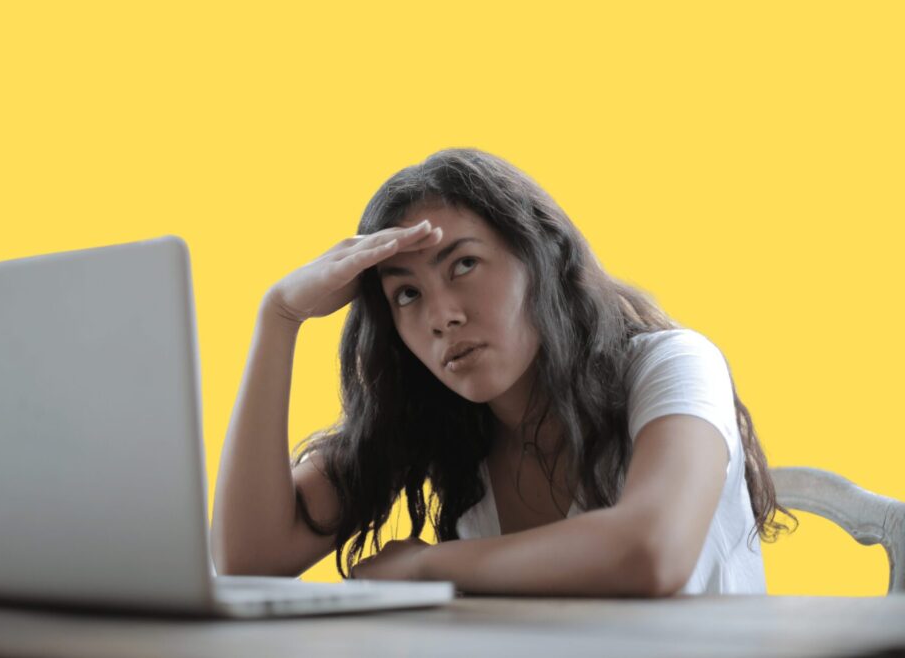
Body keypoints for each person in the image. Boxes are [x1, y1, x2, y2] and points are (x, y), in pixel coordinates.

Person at [210, 147, 796, 596]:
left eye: (463, 264)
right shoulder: (435, 416)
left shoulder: (673, 364)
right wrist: (279, 317)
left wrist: (425, 565)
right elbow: (248, 559)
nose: (442, 315)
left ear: (542, 257)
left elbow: (652, 551)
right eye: (407, 294)